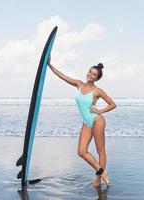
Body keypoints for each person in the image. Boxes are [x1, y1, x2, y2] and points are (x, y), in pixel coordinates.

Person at [47, 55, 116, 186]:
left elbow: (112, 104)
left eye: (94, 74)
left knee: (100, 150)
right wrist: (50, 65)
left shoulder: (98, 91)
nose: (90, 75)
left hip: (97, 121)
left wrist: (99, 111)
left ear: (97, 78)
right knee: (81, 151)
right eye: (90, 71)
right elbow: (62, 76)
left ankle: (98, 179)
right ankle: (102, 172)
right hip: (86, 122)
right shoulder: (79, 84)